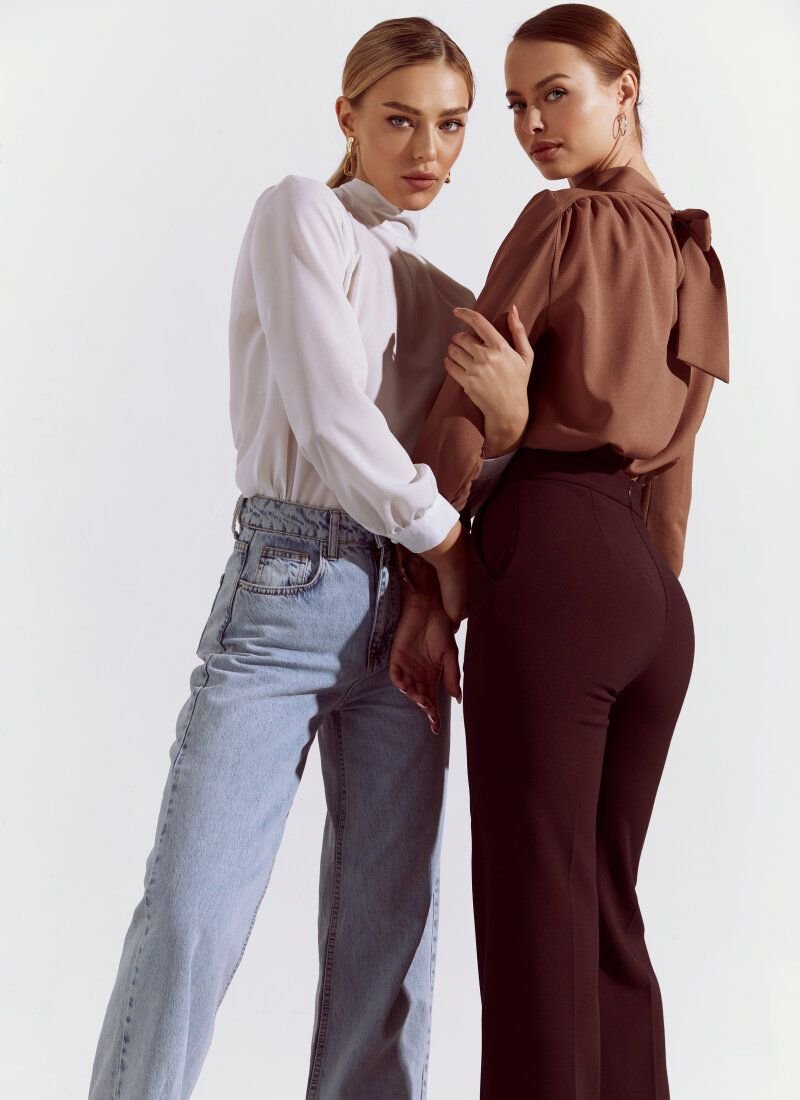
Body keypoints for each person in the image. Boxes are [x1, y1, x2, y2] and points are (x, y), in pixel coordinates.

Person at [88, 18, 520, 1099]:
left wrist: (508, 425)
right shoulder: (300, 214)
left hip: (407, 610)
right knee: (194, 913)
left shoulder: (443, 290)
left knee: (391, 935)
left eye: (452, 126)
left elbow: (482, 450)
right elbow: (331, 419)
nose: (427, 150)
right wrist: (446, 540)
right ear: (347, 118)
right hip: (290, 584)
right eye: (400, 120)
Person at [389, 5, 729, 1097]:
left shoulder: (564, 220)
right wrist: (637, 598)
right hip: (651, 600)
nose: (533, 125)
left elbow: (461, 399)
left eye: (556, 94)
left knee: (537, 913)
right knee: (604, 911)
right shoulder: (692, 256)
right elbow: (675, 478)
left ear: (624, 89)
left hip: (555, 568)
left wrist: (428, 586)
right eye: (516, 105)